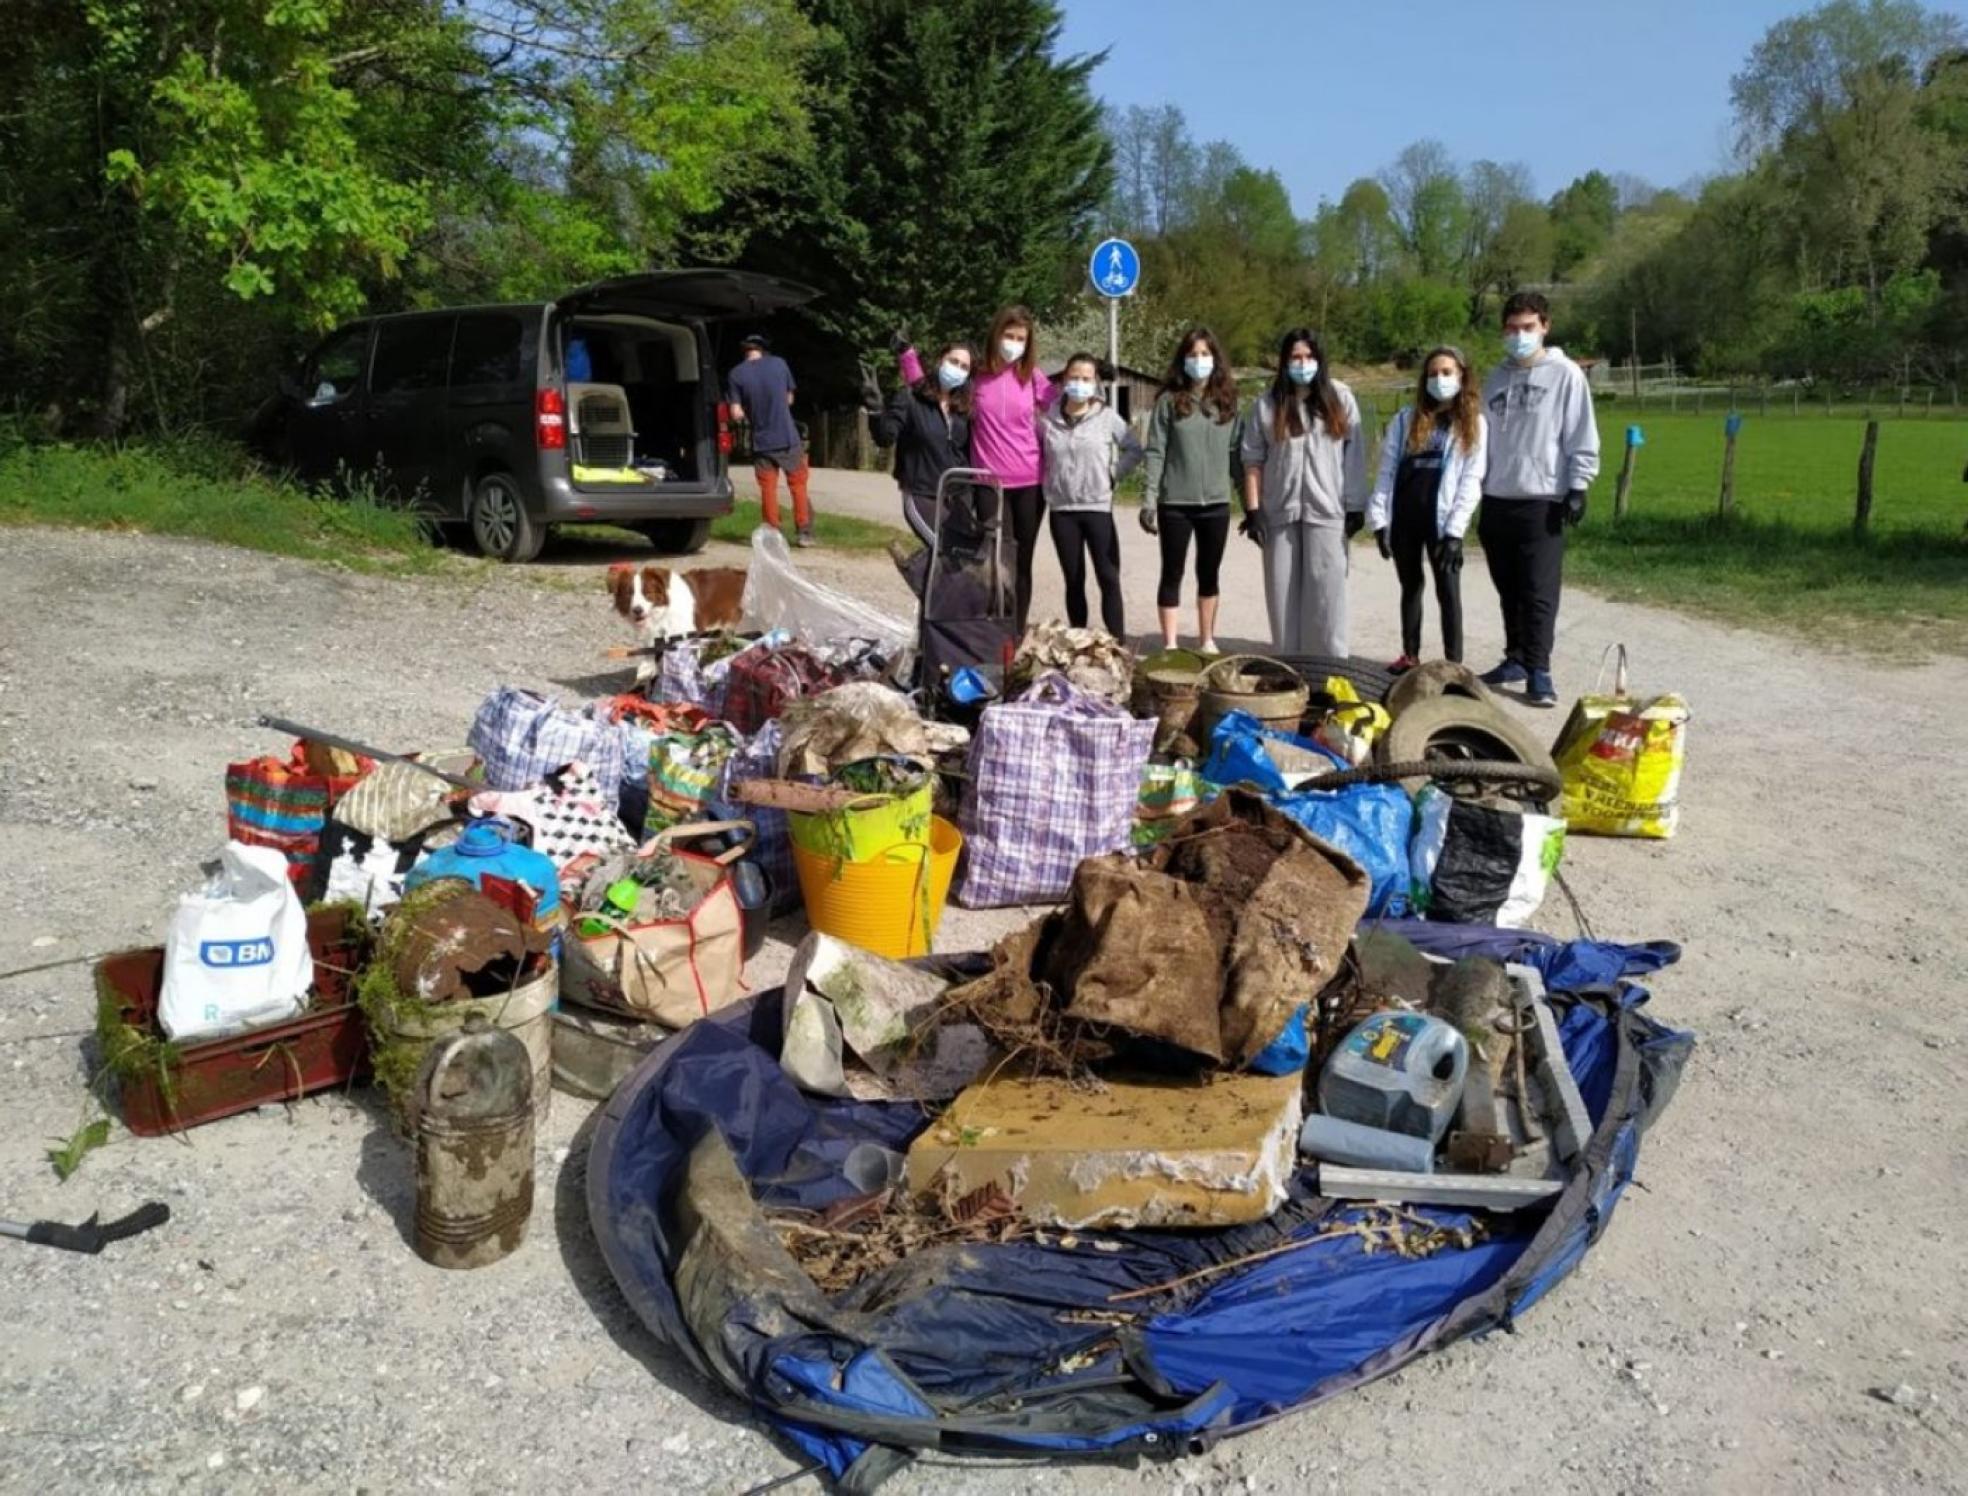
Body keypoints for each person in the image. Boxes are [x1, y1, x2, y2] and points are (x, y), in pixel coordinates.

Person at [1477, 291, 1601, 706]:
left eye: (1527, 328)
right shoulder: (1494, 379)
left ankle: (1539, 669)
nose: (1519, 336)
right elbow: (1478, 439)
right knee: (1507, 587)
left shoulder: (1565, 375)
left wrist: (1578, 485)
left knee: (1538, 590)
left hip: (1542, 496)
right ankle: (1514, 658)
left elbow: (1581, 431)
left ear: (1544, 326)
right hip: (1497, 495)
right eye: (1511, 329)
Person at [897, 307, 1054, 632]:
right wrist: (907, 355)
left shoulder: (1033, 378)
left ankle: (1017, 633)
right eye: (1008, 336)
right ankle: (992, 629)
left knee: (1022, 562)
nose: (1014, 343)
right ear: (996, 336)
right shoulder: (976, 377)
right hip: (988, 484)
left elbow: (1065, 409)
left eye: (1020, 339)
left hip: (1030, 483)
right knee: (996, 562)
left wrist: (1094, 388)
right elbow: (930, 390)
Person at [1239, 328, 1368, 657]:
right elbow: (1252, 459)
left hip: (1328, 512)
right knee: (1282, 596)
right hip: (1279, 513)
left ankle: (1330, 670)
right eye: (1295, 357)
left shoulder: (1340, 398)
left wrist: (1355, 505)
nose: (1302, 363)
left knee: (1328, 597)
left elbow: (1354, 456)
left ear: (1319, 360)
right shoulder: (1267, 405)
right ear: (1284, 362)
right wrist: (1253, 511)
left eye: (1309, 356)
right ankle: (1290, 670)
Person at [1366, 346, 1488, 669]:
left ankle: (1454, 664)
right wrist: (1379, 519)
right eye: (1433, 373)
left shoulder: (1472, 423)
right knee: (1410, 587)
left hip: (1442, 521)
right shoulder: (1406, 419)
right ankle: (1410, 655)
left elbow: (1471, 480)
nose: (1440, 379)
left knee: (1448, 592)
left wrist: (1455, 531)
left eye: (1447, 372)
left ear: (1462, 376)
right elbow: (1387, 470)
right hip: (1407, 517)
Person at [1140, 327, 1242, 652]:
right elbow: (1155, 451)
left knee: (1208, 573)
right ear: (1182, 360)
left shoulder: (1227, 403)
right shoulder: (1169, 403)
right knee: (1172, 572)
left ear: (1216, 359)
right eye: (1193, 355)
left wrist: (1252, 507)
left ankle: (1206, 640)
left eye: (1205, 354)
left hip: (1216, 503)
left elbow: (1237, 454)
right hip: (1176, 503)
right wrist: (1148, 500)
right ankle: (1170, 644)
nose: (1199, 361)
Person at [1038, 352, 1143, 636]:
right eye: (1074, 377)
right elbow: (1036, 456)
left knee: (1108, 577)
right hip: (1062, 511)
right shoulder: (1047, 420)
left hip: (1097, 508)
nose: (1079, 384)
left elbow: (1135, 449)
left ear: (1096, 382)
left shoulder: (1108, 417)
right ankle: (1079, 641)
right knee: (1074, 579)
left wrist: (1113, 473)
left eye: (1086, 378)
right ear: (1063, 380)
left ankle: (1117, 643)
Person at [863, 342, 976, 552]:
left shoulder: (963, 409)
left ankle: (927, 582)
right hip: (922, 494)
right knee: (945, 552)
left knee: (966, 557)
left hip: (958, 496)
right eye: (953, 361)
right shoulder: (911, 399)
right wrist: (876, 410)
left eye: (964, 367)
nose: (957, 369)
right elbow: (885, 438)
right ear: (941, 360)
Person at [726, 333, 814, 547]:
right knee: (798, 484)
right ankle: (804, 532)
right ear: (764, 349)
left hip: (761, 441)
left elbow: (735, 413)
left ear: (745, 351)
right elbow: (789, 398)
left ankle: (773, 533)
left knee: (768, 488)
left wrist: (748, 408)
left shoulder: (736, 374)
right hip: (787, 437)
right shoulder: (779, 364)